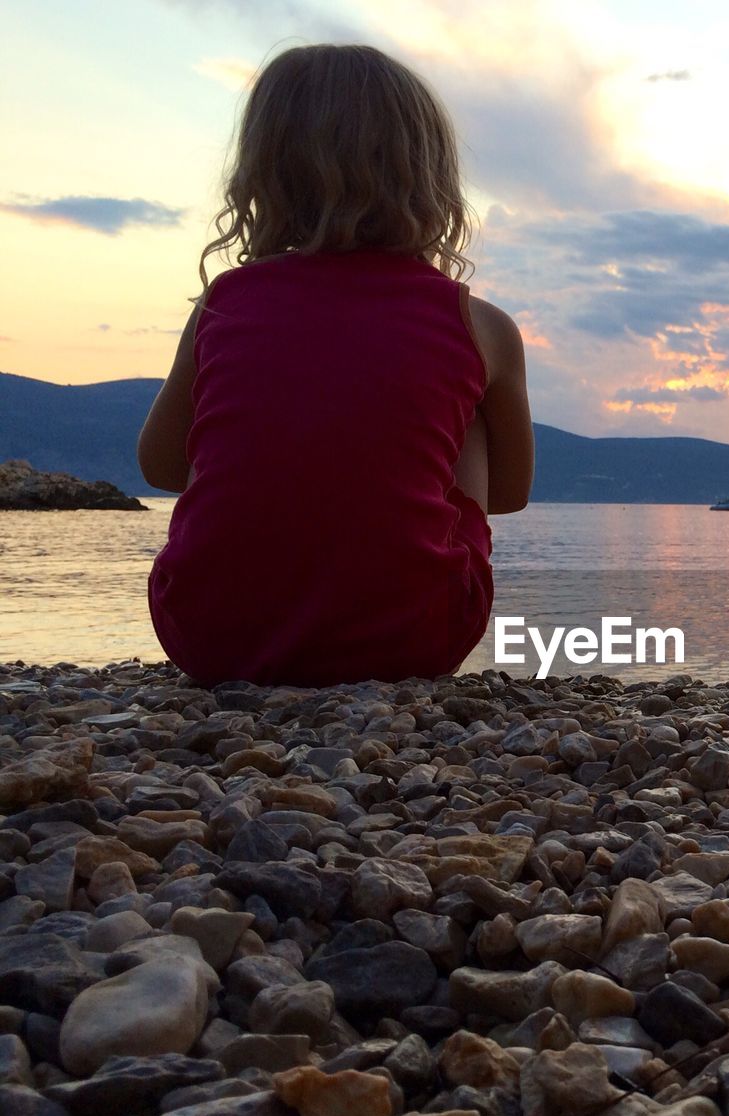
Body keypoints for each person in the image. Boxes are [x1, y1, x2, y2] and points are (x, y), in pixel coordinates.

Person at [138, 43, 533, 687]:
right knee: (469, 413)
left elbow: (160, 465)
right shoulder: (480, 326)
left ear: (264, 170)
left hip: (209, 634)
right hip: (414, 639)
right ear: (430, 175)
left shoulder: (225, 303)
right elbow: (510, 495)